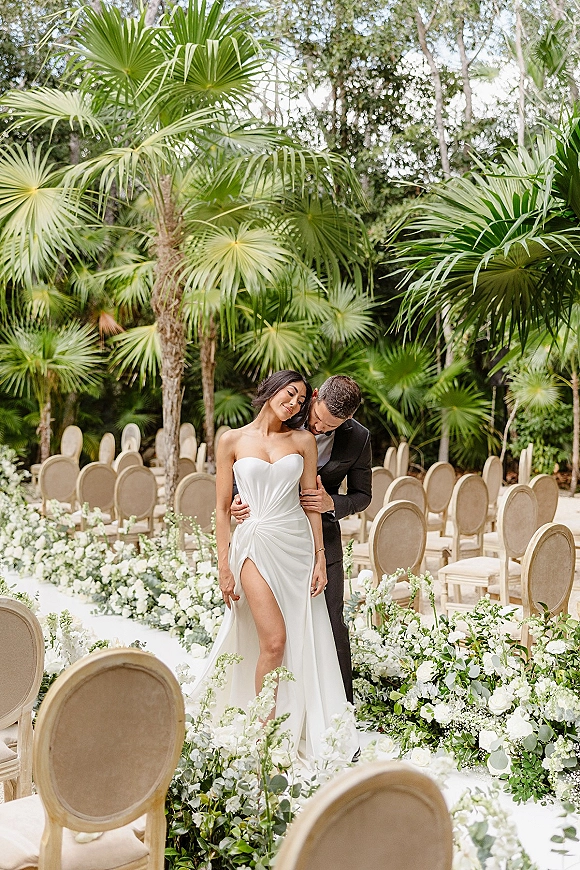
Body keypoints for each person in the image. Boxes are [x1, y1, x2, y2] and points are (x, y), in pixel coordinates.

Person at [190, 370, 356, 762]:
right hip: (252, 544)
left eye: (301, 399)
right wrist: (223, 565)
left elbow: (311, 501)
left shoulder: (302, 441)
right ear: (271, 389)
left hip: (296, 545)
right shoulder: (231, 439)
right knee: (275, 640)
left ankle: (293, 722)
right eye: (290, 393)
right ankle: (260, 732)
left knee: (301, 638)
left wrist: (320, 558)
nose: (295, 403)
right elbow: (220, 508)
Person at [232, 375, 372, 704]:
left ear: (348, 420)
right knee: (270, 627)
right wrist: (237, 499)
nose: (318, 427)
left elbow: (363, 495)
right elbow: (246, 459)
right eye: (318, 417)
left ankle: (339, 713)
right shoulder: (286, 407)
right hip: (266, 538)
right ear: (317, 395)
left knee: (332, 623)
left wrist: (332, 504)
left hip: (320, 538)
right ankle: (269, 703)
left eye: (330, 426)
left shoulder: (359, 439)